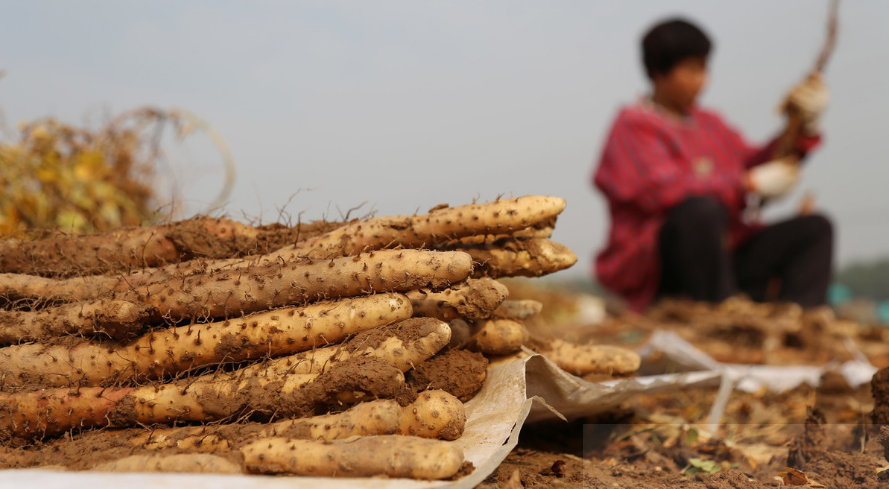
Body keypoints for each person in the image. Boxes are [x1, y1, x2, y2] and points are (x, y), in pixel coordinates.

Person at [592, 18, 833, 313]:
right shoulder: (633, 124)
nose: (702, 80)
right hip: (663, 269)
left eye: (704, 69)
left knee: (815, 229)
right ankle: (720, 316)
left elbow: (754, 161)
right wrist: (747, 184)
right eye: (691, 70)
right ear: (658, 72)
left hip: (727, 257)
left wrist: (801, 128)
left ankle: (800, 323)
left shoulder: (710, 124)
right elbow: (661, 189)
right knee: (699, 211)